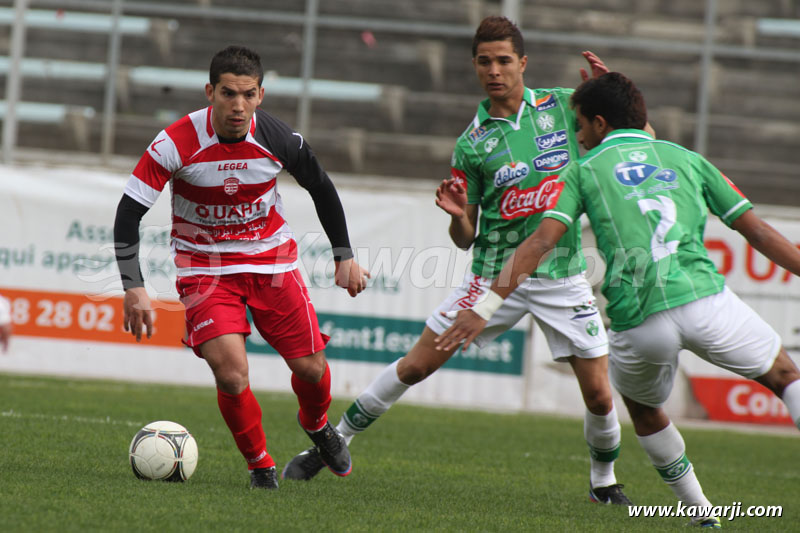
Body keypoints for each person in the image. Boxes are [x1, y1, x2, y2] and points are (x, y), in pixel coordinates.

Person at [282, 16, 634, 505]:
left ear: (523, 63)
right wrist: (456, 216)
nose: (495, 70)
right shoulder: (472, 143)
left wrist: (614, 97)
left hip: (562, 275)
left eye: (504, 60)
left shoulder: (560, 106)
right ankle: (335, 440)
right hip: (493, 278)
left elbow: (631, 138)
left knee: (598, 394)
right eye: (485, 61)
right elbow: (466, 237)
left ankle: (603, 484)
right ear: (474, 66)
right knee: (415, 367)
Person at [436, 72, 800, 528]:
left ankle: (701, 512)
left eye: (581, 124)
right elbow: (761, 233)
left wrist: (485, 307)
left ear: (600, 123)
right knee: (786, 377)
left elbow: (537, 244)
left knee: (645, 412)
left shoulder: (582, 171)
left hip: (639, 320)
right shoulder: (686, 158)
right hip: (704, 300)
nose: (577, 133)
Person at [113, 45, 370, 490]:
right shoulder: (175, 142)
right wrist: (133, 287)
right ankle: (260, 466)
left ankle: (317, 425)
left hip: (272, 262)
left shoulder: (279, 139)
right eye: (228, 93)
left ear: (261, 95)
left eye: (248, 94)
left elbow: (322, 187)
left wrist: (343, 254)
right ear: (209, 92)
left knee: (310, 369)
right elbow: (127, 213)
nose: (238, 105)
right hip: (205, 270)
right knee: (231, 373)